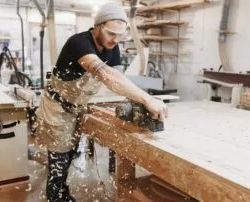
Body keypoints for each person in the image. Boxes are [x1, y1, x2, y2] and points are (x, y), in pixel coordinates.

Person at [35, 2, 168, 202]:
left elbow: (118, 79)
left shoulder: (112, 48)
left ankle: (63, 193)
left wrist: (136, 101)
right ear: (97, 26)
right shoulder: (79, 43)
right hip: (58, 108)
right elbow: (105, 74)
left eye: (119, 36)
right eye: (110, 33)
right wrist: (147, 99)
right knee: (58, 161)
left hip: (78, 106)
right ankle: (55, 197)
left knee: (69, 155)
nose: (115, 40)